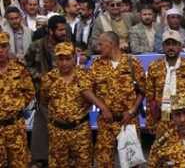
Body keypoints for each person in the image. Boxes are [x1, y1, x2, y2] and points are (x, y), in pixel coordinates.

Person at [40, 42, 111, 168]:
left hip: (81, 131)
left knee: (84, 164)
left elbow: (94, 96)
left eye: (68, 58)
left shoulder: (85, 76)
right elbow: (44, 101)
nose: (64, 63)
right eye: (60, 59)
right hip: (57, 132)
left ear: (74, 58)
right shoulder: (48, 79)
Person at [89, 31, 145, 167]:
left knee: (131, 162)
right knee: (104, 162)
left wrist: (131, 111)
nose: (98, 48)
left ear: (111, 44)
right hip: (106, 121)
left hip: (128, 120)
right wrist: (103, 108)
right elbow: (88, 91)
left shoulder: (132, 63)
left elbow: (143, 90)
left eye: (101, 44)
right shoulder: (97, 65)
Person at [25, 14, 71, 166]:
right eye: (60, 30)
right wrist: (40, 76)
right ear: (51, 31)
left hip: (66, 95)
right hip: (44, 94)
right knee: (43, 128)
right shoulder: (37, 46)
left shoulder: (68, 45)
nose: (63, 33)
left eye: (64, 30)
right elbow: (26, 65)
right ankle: (41, 159)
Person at [145, 30, 185, 138]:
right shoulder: (154, 67)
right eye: (167, 44)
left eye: (174, 44)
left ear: (180, 46)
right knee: (163, 152)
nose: (171, 47)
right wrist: (150, 122)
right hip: (163, 120)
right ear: (163, 46)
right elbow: (149, 97)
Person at [0, 31, 35, 168]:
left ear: (8, 48)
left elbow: (29, 92)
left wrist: (15, 106)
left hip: (15, 126)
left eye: (3, 46)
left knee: (20, 163)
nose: (0, 50)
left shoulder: (19, 69)